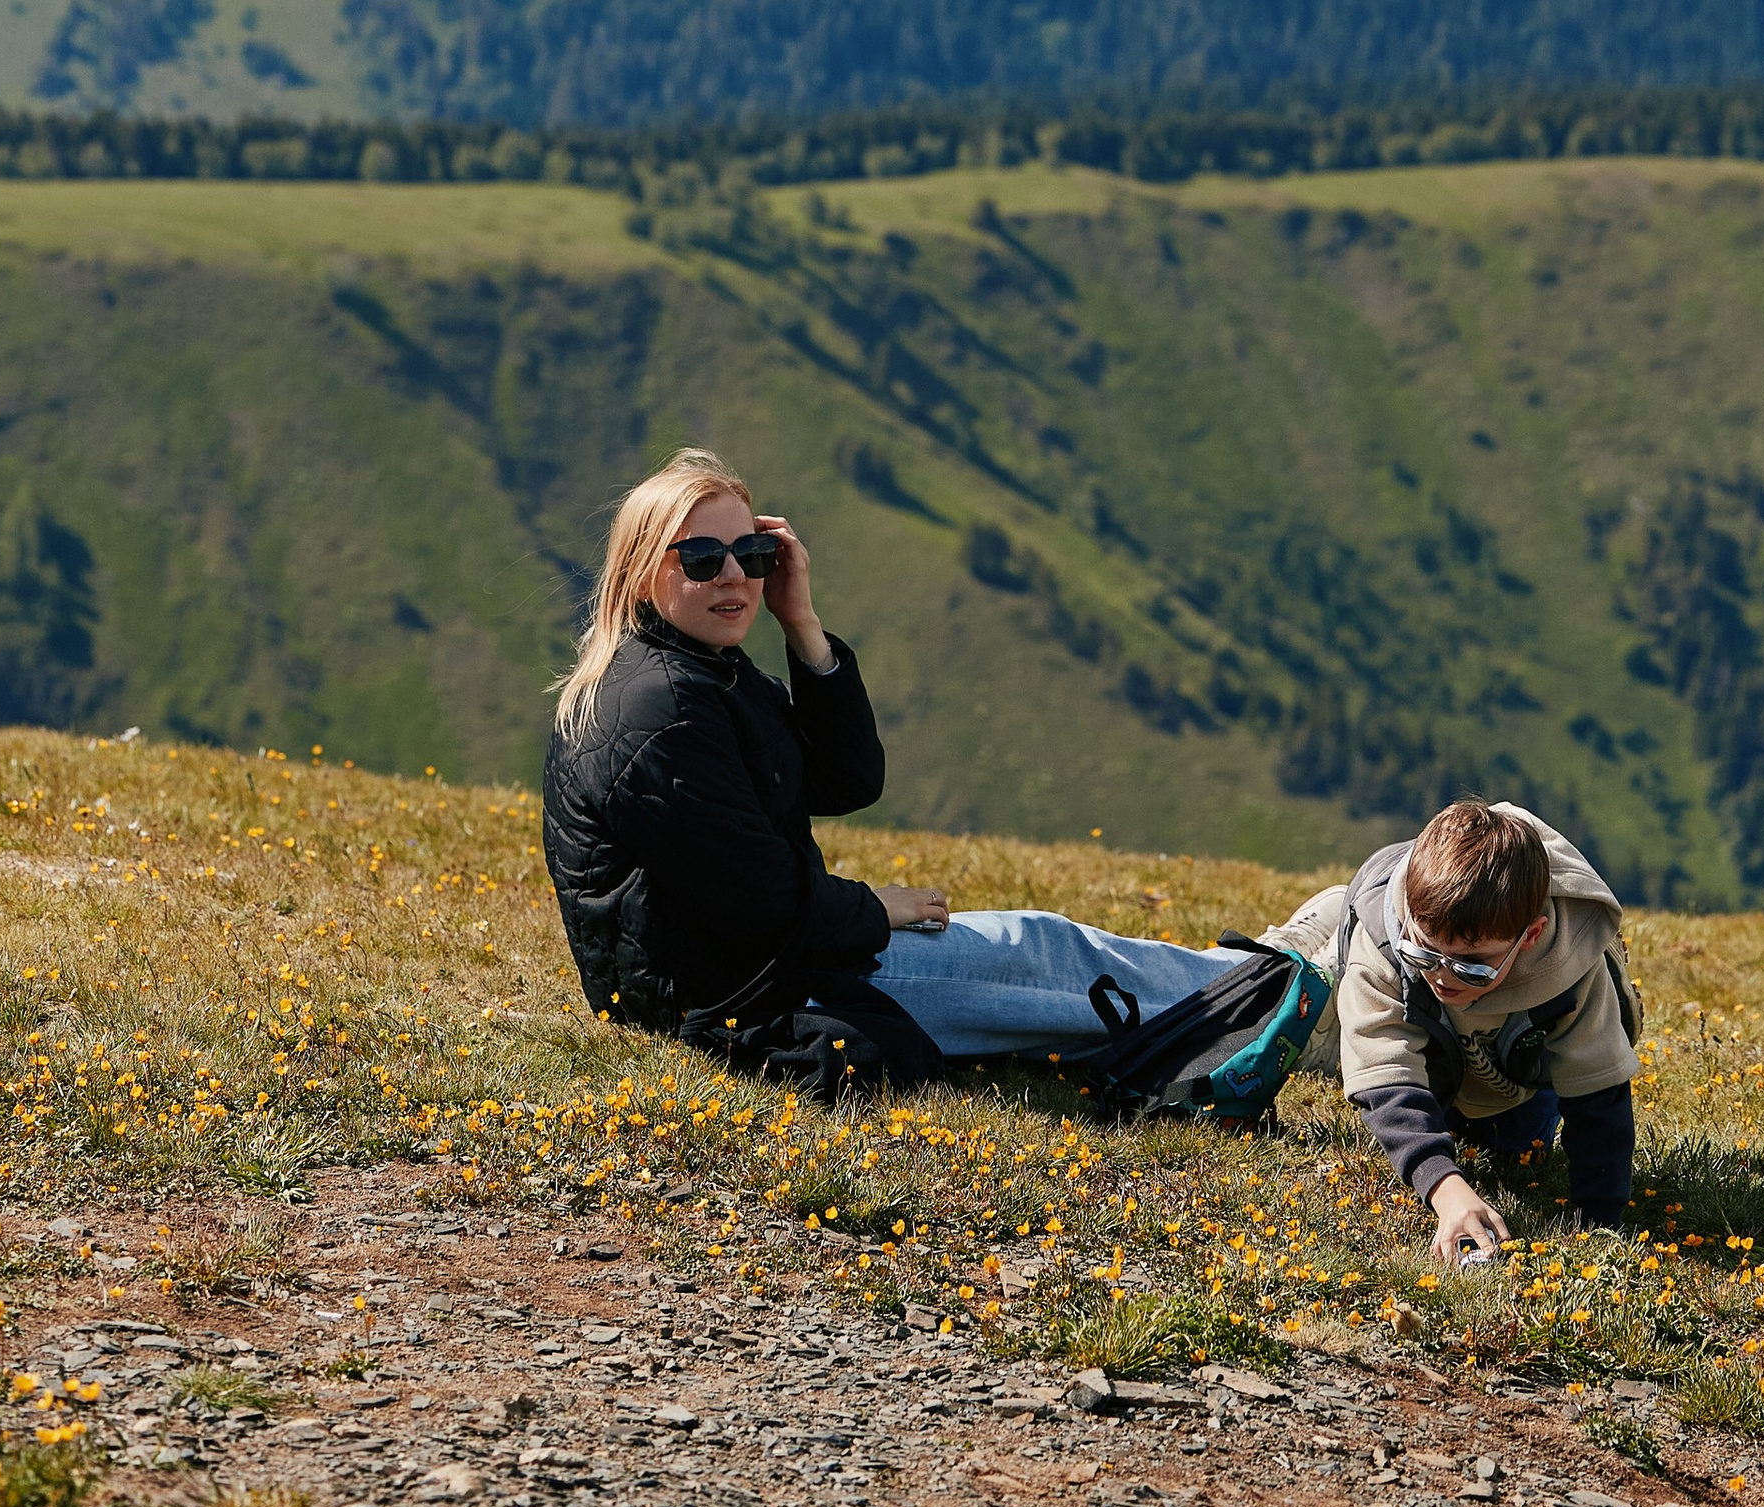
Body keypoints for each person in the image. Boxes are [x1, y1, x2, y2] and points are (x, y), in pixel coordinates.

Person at [542, 450, 1236, 1096]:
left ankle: (1253, 983)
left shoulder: (699, 672)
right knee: (1043, 956)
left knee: (1040, 954)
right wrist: (876, 909)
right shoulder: (657, 708)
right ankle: (1262, 992)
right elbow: (758, 900)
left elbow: (846, 780)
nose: (733, 576)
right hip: (749, 991)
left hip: (750, 971)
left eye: (753, 555)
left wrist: (803, 625)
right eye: (700, 558)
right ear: (640, 570)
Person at [1311, 797, 1641, 1260]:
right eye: (1425, 953)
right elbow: (1385, 1073)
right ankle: (1314, 943)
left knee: (1517, 1149)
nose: (1444, 976)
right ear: (1408, 911)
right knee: (1321, 1030)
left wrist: (1599, 1227)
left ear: (1529, 936)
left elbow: (1598, 1090)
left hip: (1508, 1072)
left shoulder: (1573, 967)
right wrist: (1445, 1187)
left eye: (1474, 966)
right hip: (1422, 1043)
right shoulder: (1385, 943)